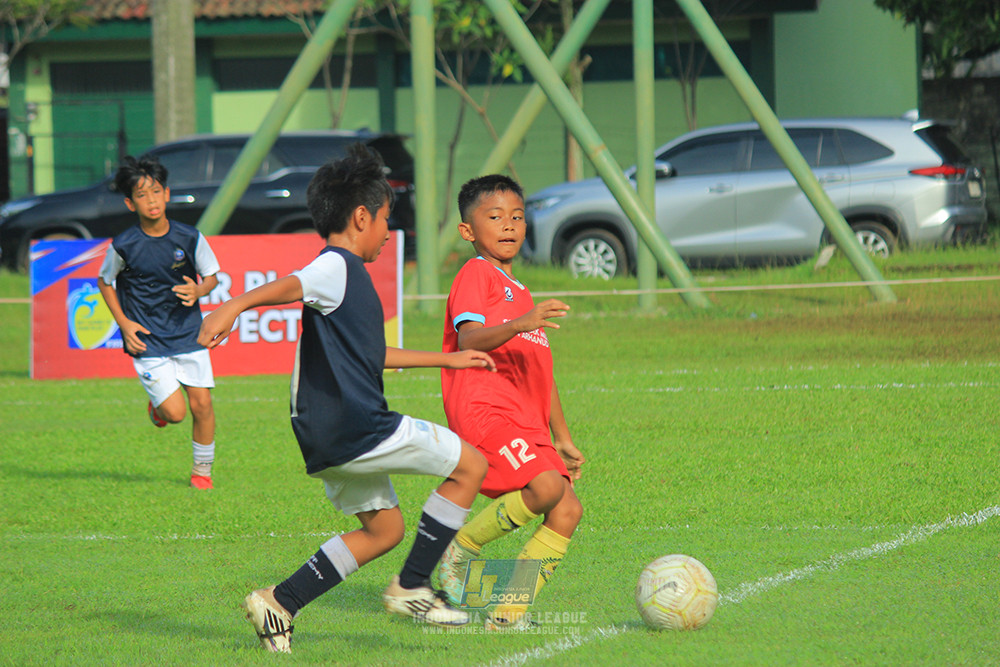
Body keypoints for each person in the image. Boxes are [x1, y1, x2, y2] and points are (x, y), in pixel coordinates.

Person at [197, 144, 494, 654]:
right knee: (472, 466)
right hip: (358, 427)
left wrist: (448, 360)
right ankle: (412, 585)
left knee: (384, 531)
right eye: (385, 219)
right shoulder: (337, 266)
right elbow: (293, 284)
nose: (388, 232)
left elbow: (373, 354)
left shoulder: (345, 277)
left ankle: (280, 601)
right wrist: (234, 305)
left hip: (326, 437)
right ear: (361, 217)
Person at [435, 174, 585, 631]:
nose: (508, 225)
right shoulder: (476, 274)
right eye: (495, 216)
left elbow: (541, 372)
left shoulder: (520, 292)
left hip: (527, 421)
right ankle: (460, 546)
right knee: (546, 489)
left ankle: (507, 614)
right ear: (468, 230)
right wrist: (520, 323)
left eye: (517, 217)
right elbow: (468, 338)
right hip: (486, 410)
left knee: (567, 510)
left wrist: (562, 437)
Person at [98, 154, 221, 490]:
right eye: (142, 195)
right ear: (130, 203)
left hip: (188, 333)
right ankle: (159, 410)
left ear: (166, 194)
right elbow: (105, 282)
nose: (151, 200)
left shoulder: (189, 237)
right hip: (147, 339)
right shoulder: (124, 245)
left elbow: (212, 277)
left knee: (203, 404)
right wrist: (124, 323)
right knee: (175, 414)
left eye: (155, 191)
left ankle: (202, 472)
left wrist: (199, 289)